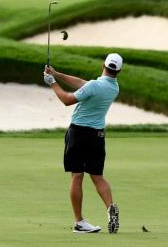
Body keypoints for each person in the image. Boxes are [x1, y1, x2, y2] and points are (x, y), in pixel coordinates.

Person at [44, 53, 123, 234]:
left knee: (77, 176)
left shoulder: (95, 86)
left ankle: (79, 222)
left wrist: (52, 82)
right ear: (118, 70)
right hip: (97, 136)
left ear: (103, 64)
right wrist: (57, 74)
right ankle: (110, 207)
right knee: (97, 176)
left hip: (78, 134)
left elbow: (66, 100)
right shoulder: (113, 87)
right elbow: (82, 83)